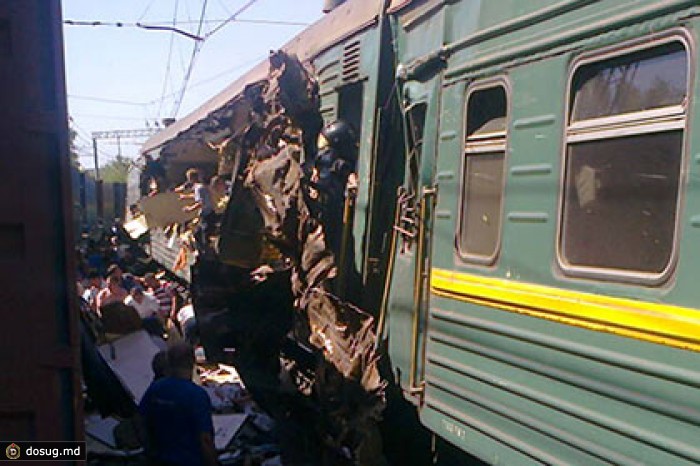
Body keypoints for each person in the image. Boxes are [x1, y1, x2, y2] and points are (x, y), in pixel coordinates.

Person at [139, 342, 217, 466]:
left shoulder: (155, 389)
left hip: (160, 460)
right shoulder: (197, 395)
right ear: (192, 362)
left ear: (169, 362)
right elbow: (205, 439)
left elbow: (141, 421)